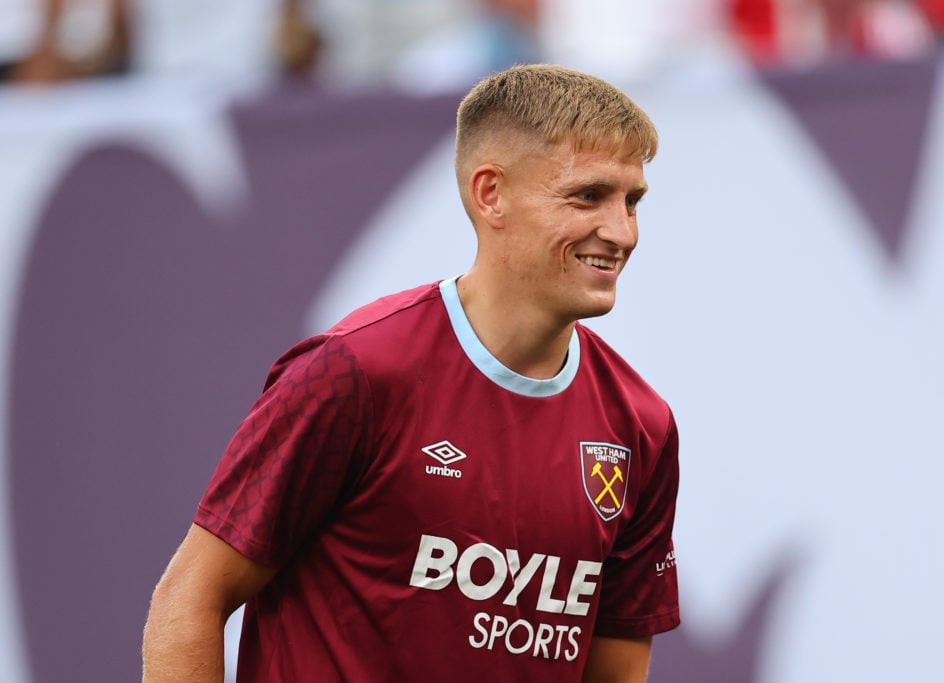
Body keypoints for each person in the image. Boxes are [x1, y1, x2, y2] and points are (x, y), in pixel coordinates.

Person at [142, 63, 680, 682]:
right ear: (490, 193)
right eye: (588, 196)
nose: (621, 232)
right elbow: (190, 596)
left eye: (631, 201)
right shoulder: (355, 371)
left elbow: (615, 671)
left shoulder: (642, 427)